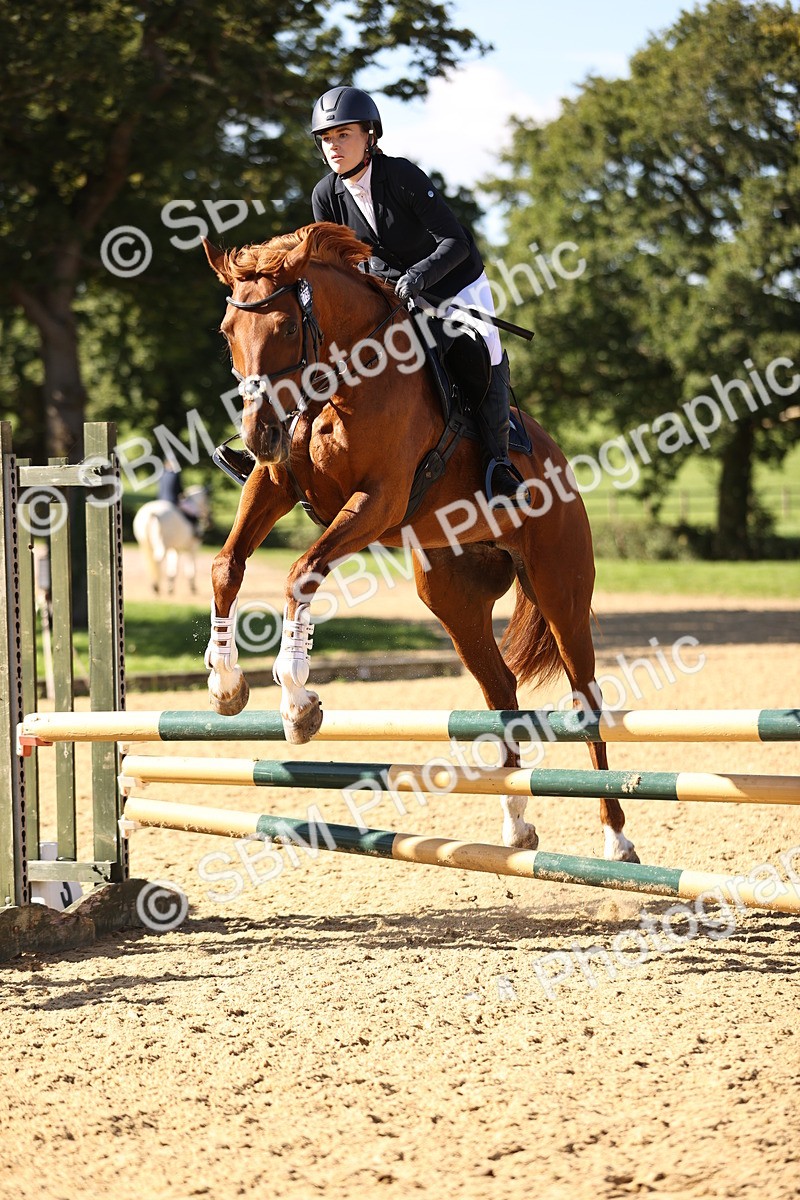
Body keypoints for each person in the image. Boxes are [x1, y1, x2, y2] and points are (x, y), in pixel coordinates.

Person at [309, 85, 530, 506]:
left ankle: (499, 464)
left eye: (344, 135)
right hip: (389, 292)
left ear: (369, 136)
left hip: (452, 281)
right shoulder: (326, 196)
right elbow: (336, 266)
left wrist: (418, 276)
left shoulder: (402, 176)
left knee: (482, 350)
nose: (334, 146)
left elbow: (454, 241)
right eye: (326, 138)